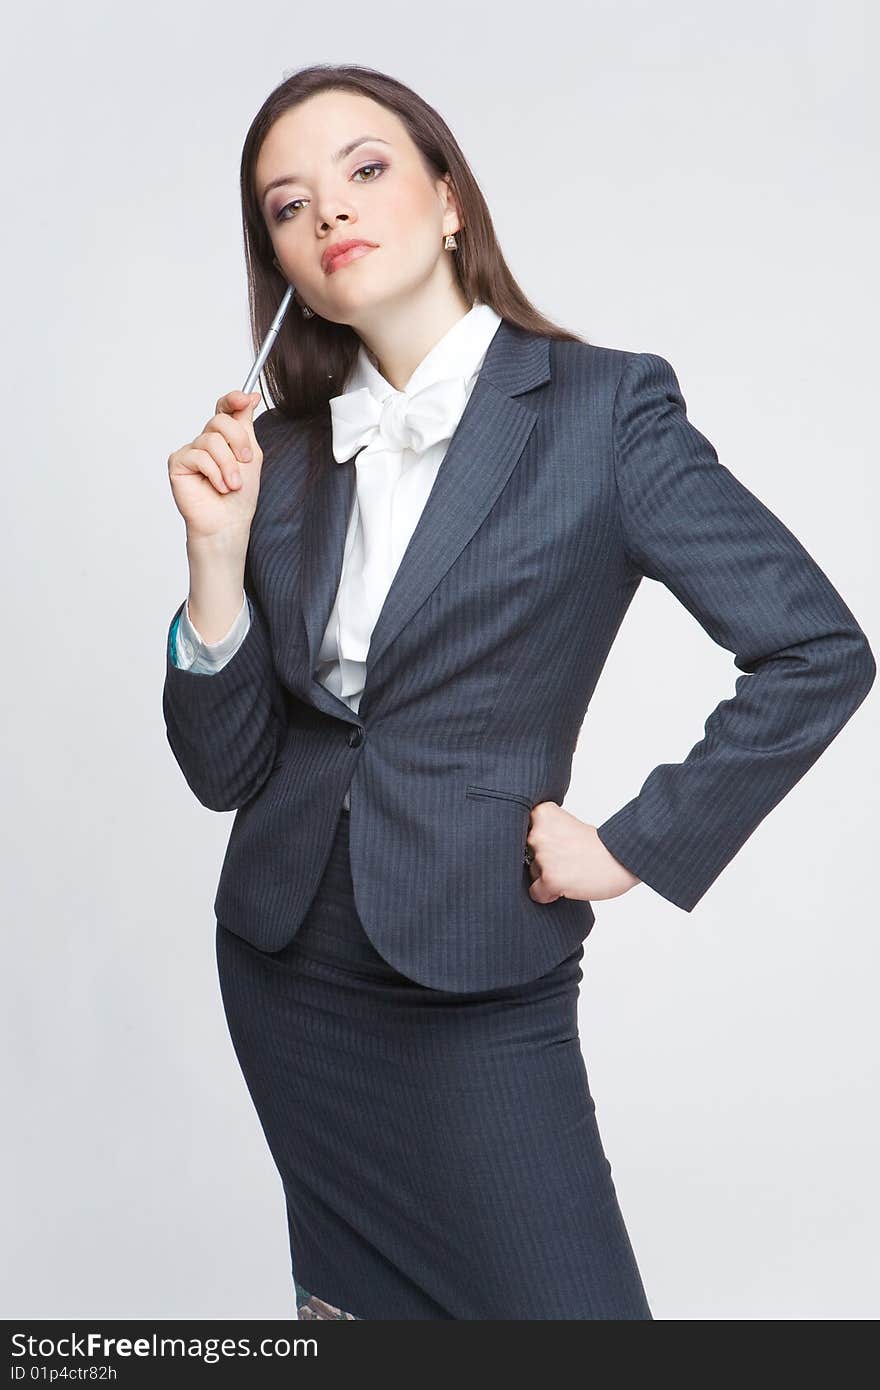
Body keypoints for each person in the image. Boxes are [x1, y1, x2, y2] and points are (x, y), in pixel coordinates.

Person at [162, 65, 875, 1321]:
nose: (328, 212)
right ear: (282, 263)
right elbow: (226, 772)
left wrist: (633, 846)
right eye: (288, 205)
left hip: (474, 965)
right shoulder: (276, 456)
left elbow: (816, 648)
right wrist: (212, 568)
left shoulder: (603, 410)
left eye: (365, 170)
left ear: (447, 198)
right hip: (283, 960)